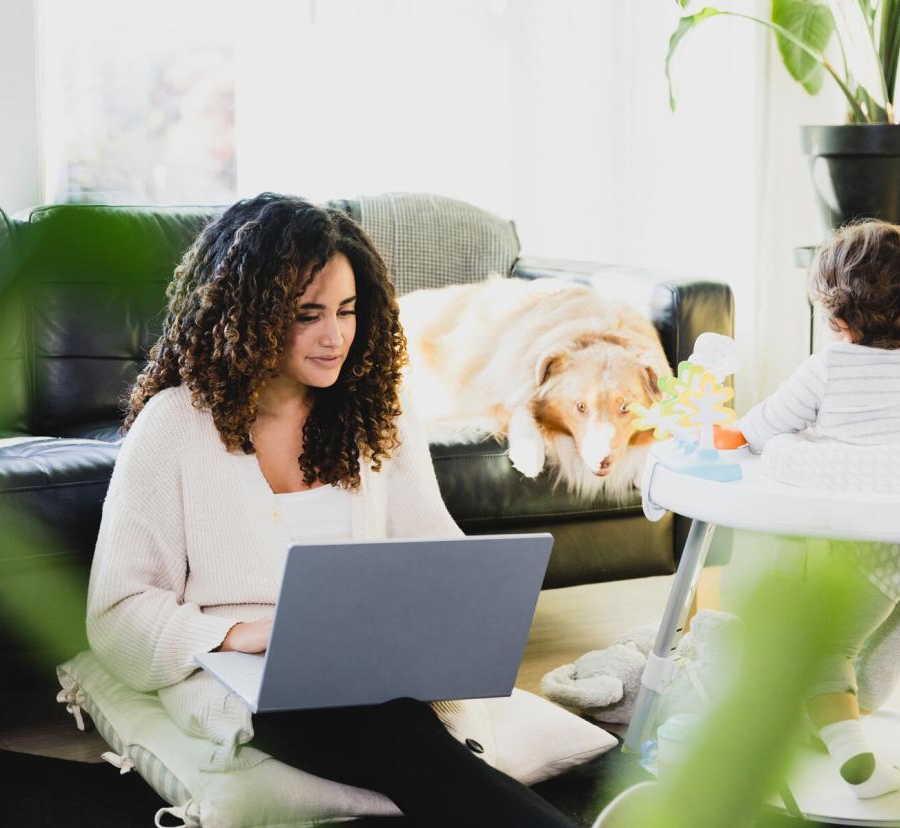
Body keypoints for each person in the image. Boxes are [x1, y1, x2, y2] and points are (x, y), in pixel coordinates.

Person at [85, 193, 575, 826]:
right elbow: (116, 617)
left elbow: (433, 546)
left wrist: (468, 610)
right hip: (249, 681)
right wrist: (239, 633)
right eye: (307, 314)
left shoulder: (377, 414)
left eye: (347, 310)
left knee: (399, 728)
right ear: (248, 316)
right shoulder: (174, 427)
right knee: (399, 737)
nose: (335, 336)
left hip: (375, 664)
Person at [733, 220, 900, 799]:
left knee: (829, 652)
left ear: (836, 317)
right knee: (881, 656)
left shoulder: (827, 367)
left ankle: (852, 757)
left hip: (874, 553)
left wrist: (727, 433)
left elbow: (762, 431)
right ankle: (842, 724)